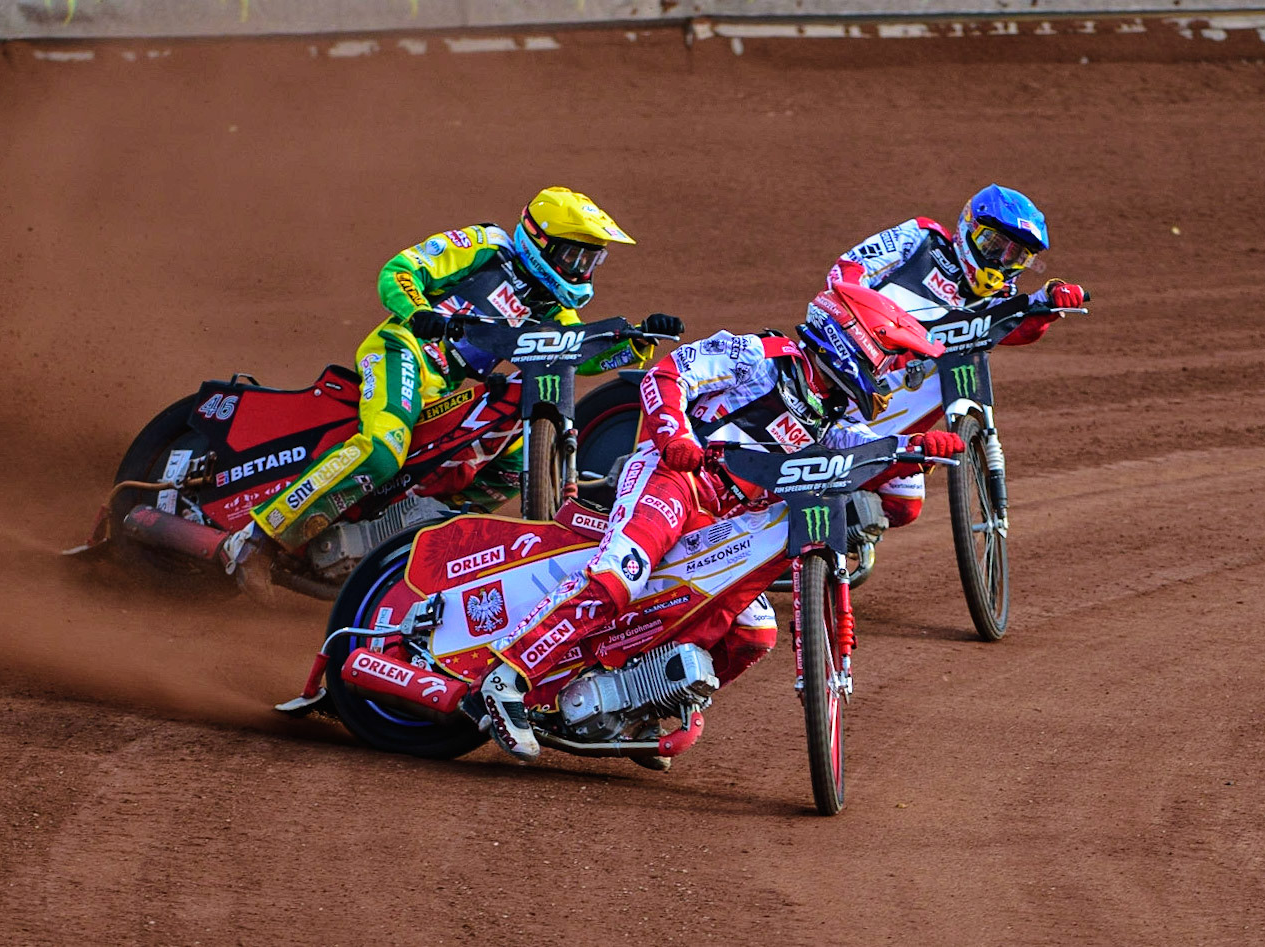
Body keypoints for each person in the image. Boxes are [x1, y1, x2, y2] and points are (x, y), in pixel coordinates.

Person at [477, 282, 963, 761]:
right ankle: (507, 676)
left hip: (725, 521)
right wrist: (674, 436)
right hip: (674, 479)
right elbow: (667, 375)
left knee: (753, 631)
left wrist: (916, 450)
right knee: (620, 576)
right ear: (852, 339)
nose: (888, 374)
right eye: (885, 359)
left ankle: (634, 708)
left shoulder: (833, 419)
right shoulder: (760, 355)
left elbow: (864, 455)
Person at [220, 187, 682, 597]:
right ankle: (258, 537)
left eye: (591, 259)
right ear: (542, 241)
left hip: (444, 387)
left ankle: (405, 539)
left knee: (511, 457)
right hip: (401, 352)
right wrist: (418, 310)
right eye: (576, 255)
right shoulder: (486, 247)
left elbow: (577, 356)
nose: (583, 269)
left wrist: (636, 343)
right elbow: (400, 269)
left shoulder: (553, 310)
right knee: (383, 451)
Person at [818, 183, 1087, 529]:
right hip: (851, 376)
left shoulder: (1000, 295)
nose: (1000, 262)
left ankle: (826, 550)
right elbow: (846, 270)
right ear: (968, 229)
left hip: (899, 402)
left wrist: (1052, 301)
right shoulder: (921, 237)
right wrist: (864, 319)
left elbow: (1018, 326)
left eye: (1016, 256)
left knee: (904, 506)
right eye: (994, 245)